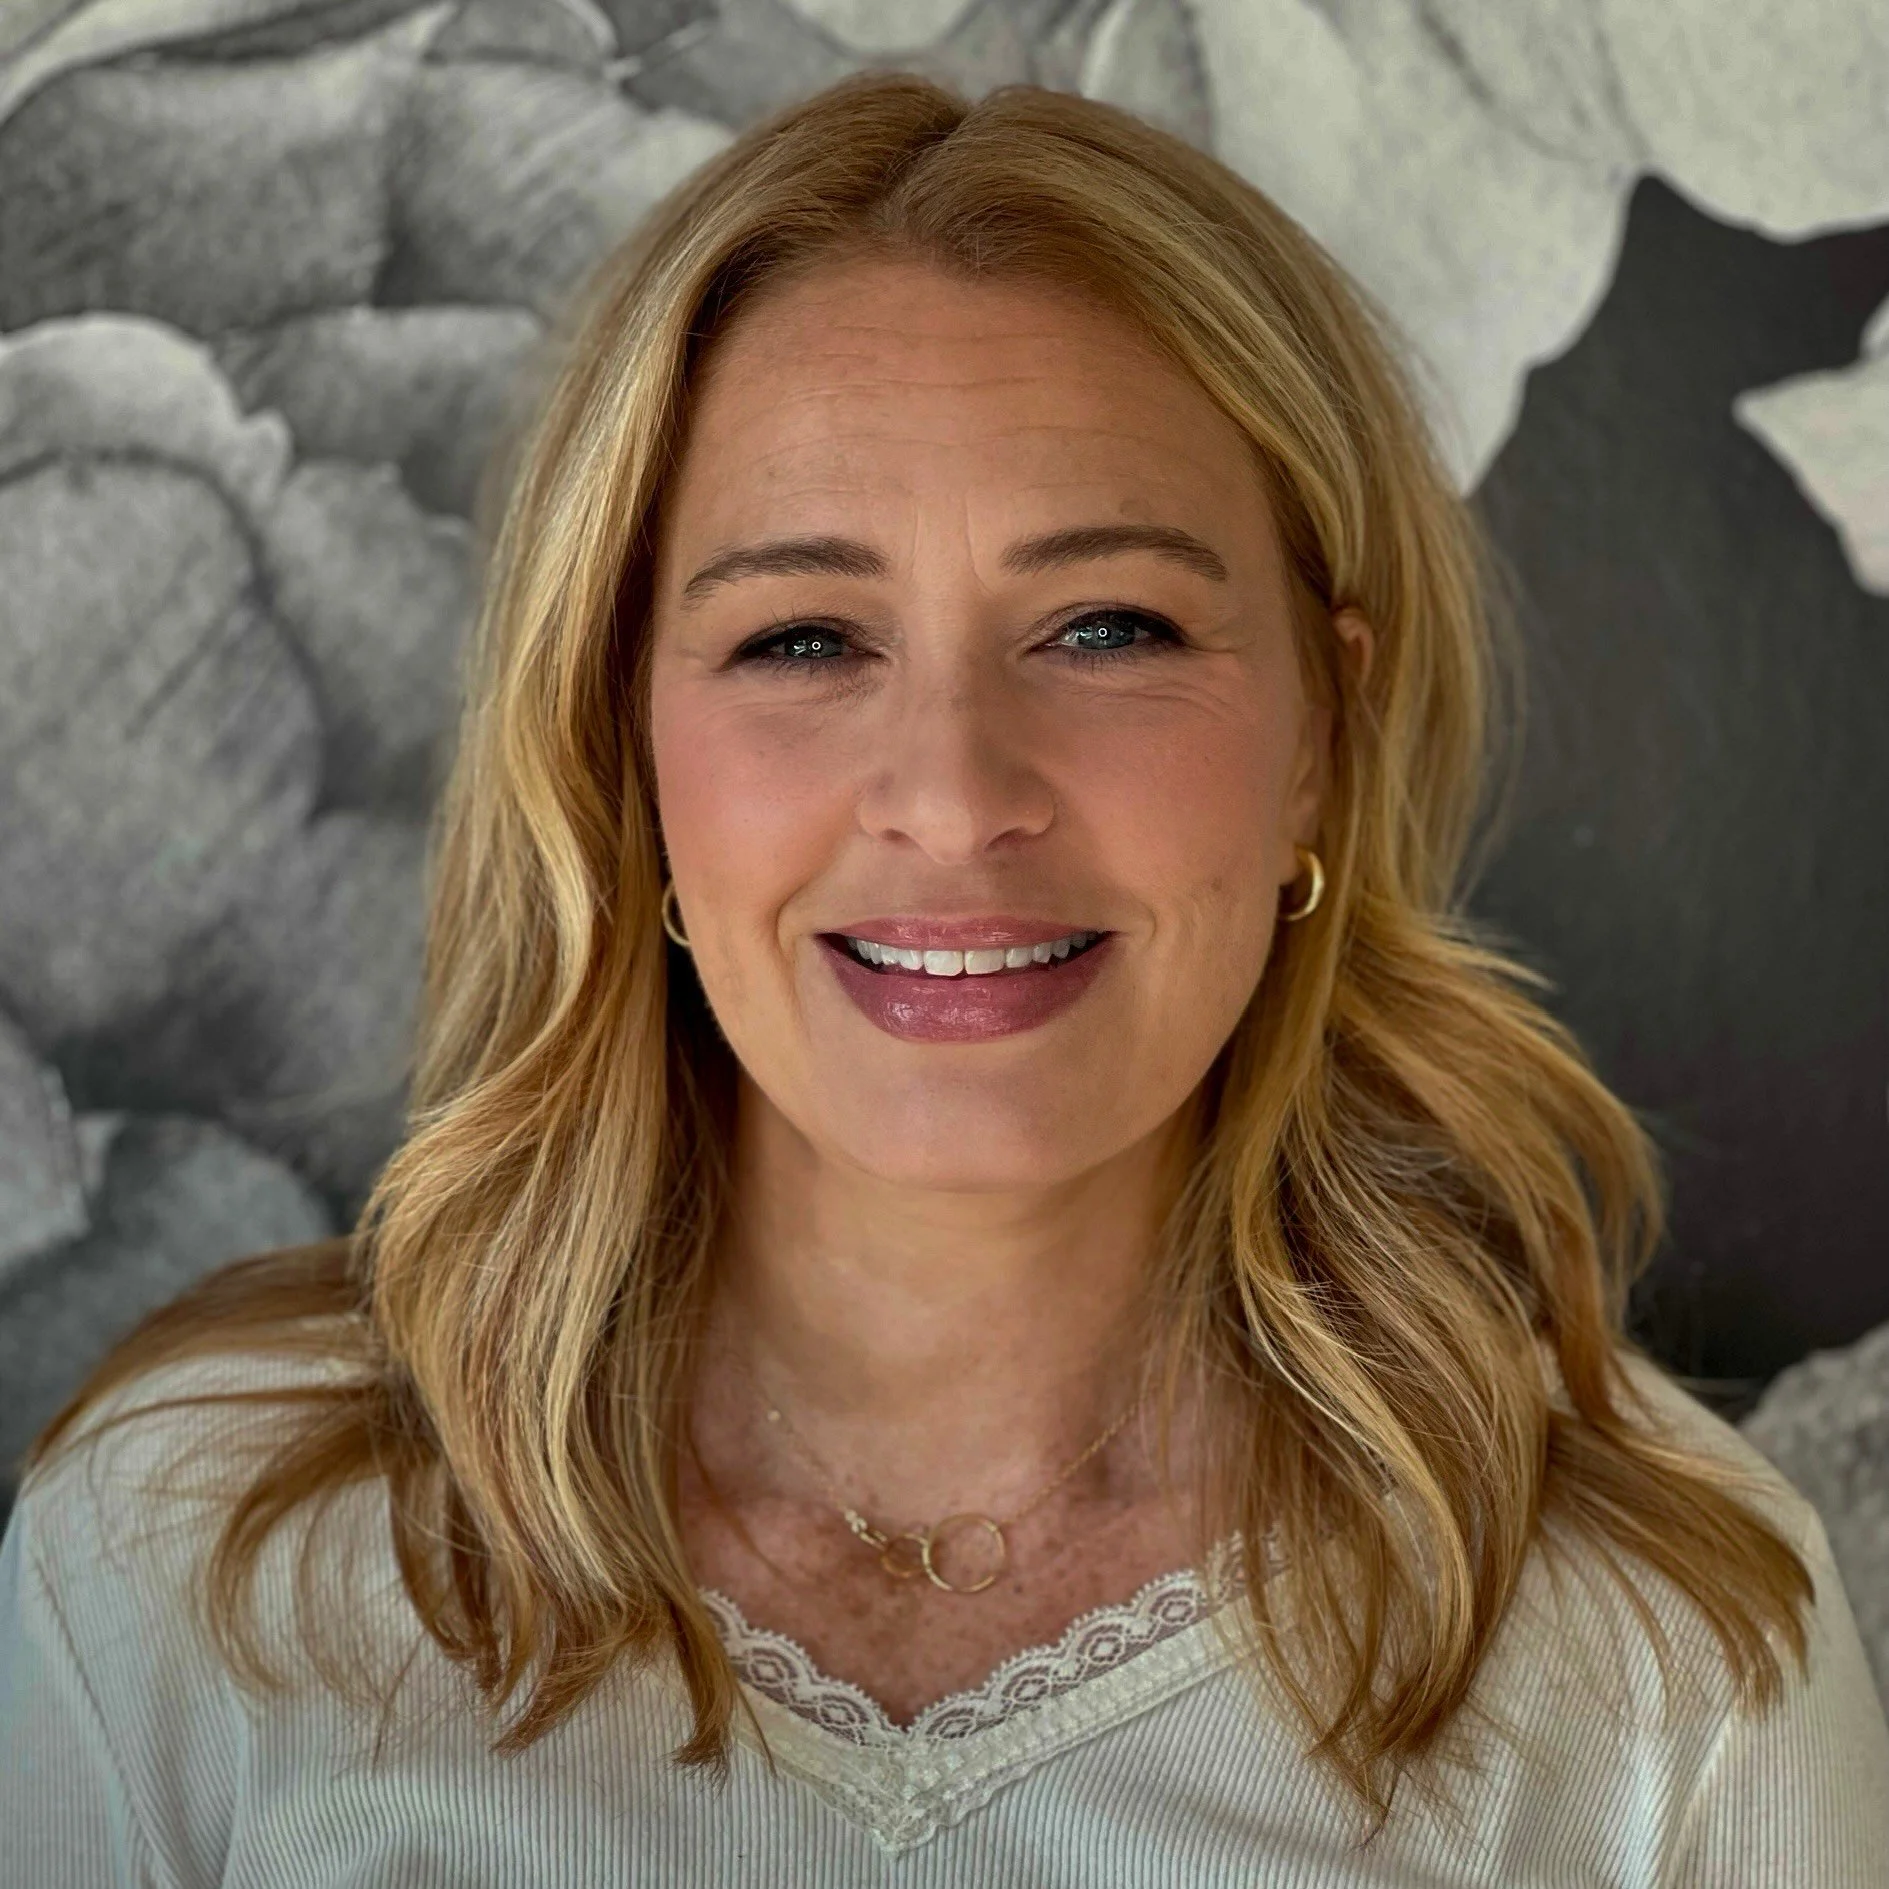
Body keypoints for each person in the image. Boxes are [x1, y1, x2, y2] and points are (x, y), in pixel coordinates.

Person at [2, 70, 1885, 1888]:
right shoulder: (200, 1554)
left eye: (1107, 626)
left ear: (1324, 728)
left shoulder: (1664, 1656)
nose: (959, 795)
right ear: (622, 748)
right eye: (806, 636)